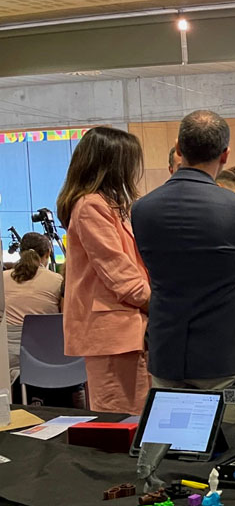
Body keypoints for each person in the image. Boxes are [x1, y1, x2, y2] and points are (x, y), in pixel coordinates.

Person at [132, 110, 235, 403]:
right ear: (225, 155)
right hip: (223, 353)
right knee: (230, 442)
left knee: (169, 445)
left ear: (179, 148)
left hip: (165, 349)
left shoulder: (142, 209)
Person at [57, 127, 151, 414]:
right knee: (121, 419)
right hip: (112, 333)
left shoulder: (110, 204)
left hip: (127, 328)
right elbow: (120, 275)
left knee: (137, 414)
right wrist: (163, 303)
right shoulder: (90, 206)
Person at [4, 232, 63, 383]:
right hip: (47, 359)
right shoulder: (57, 280)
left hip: (7, 361)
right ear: (48, 253)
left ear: (20, 252)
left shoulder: (2, 279)